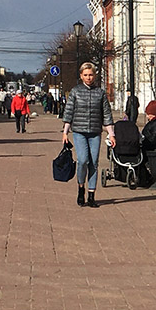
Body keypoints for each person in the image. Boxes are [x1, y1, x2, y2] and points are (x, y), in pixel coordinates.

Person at [62, 62, 116, 208]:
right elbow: (69, 112)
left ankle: (91, 195)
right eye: (85, 75)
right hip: (79, 131)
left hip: (94, 132)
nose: (88, 78)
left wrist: (111, 134)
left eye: (91, 75)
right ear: (81, 76)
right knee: (83, 160)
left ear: (95, 75)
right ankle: (81, 188)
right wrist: (65, 132)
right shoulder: (75, 92)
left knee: (94, 163)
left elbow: (106, 114)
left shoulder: (100, 93)